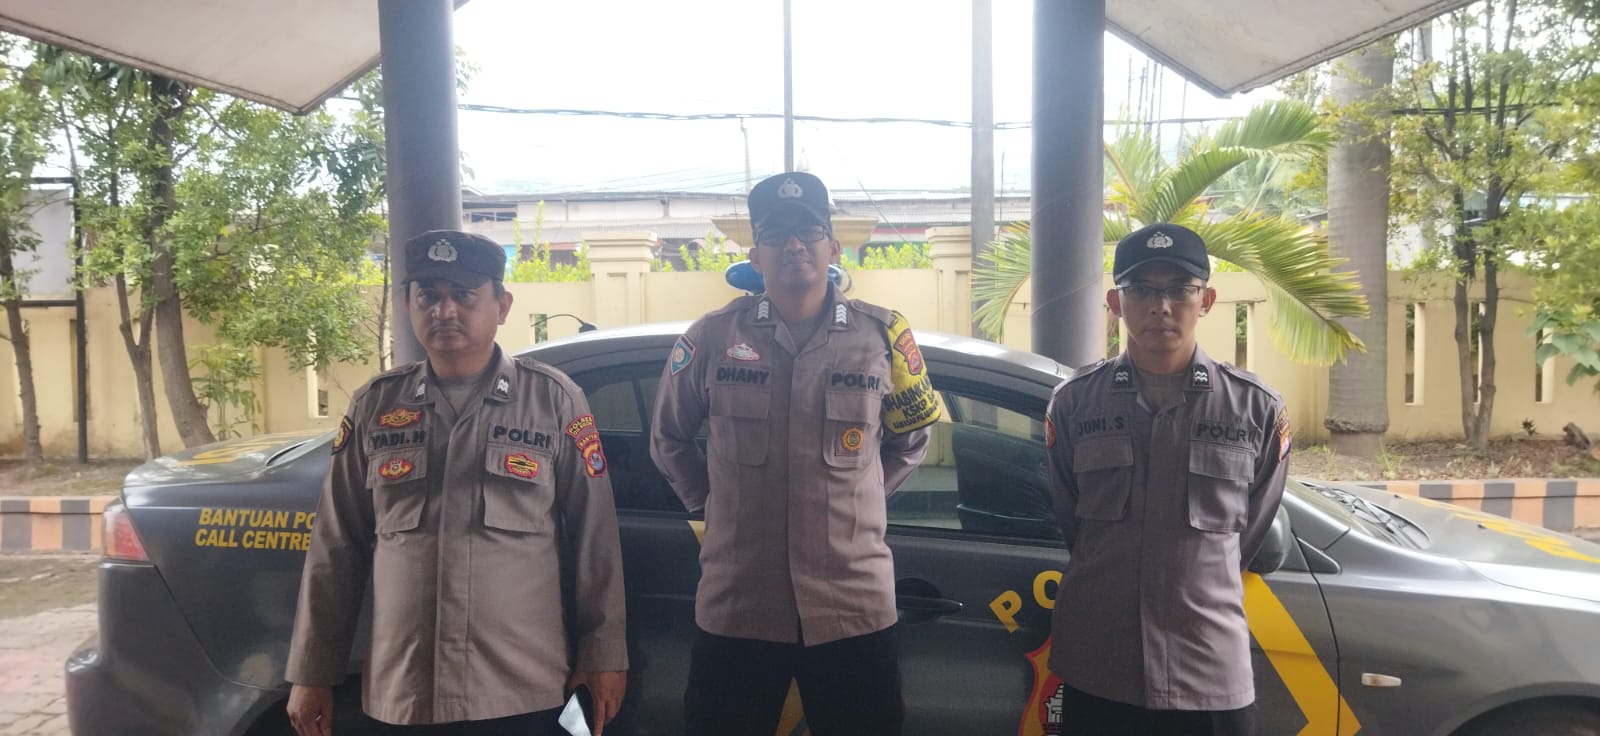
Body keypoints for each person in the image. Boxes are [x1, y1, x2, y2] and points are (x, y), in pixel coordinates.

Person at [284, 230, 628, 736]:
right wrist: (313, 672)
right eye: (428, 295)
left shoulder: (553, 400)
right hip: (404, 693)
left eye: (464, 295)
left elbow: (595, 539)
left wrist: (603, 654)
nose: (444, 310)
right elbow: (336, 547)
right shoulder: (376, 406)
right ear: (408, 304)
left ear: (502, 306)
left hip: (520, 689)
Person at [650, 172, 940, 735]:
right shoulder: (711, 337)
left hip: (852, 607)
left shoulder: (883, 337)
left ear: (833, 247)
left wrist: (858, 501)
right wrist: (715, 506)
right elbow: (668, 438)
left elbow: (912, 437)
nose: (794, 245)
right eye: (776, 234)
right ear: (754, 255)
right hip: (738, 604)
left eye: (808, 231)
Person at [1043, 223, 1290, 736]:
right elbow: (1075, 526)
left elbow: (1248, 534)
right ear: (1115, 302)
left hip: (1207, 672)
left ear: (1206, 300)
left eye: (1180, 289)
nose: (1161, 306)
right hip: (1101, 668)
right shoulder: (1074, 404)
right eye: (1141, 289)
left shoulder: (1256, 410)